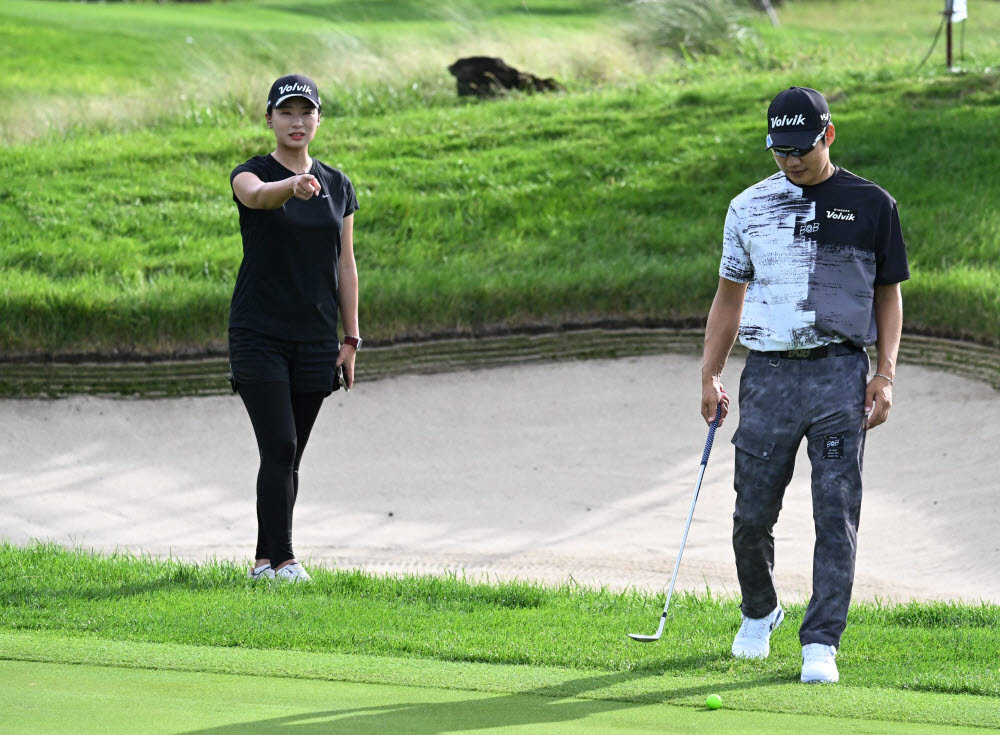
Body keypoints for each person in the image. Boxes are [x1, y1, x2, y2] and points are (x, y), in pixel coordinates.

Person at [700, 87, 909, 683]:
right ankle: (759, 611)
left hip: (839, 374)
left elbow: (887, 294)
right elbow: (727, 297)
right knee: (750, 514)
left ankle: (821, 641)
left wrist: (885, 374)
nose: (791, 162)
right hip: (766, 373)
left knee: (834, 512)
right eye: (779, 151)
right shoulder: (747, 208)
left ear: (829, 135)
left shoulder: (872, 204)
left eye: (802, 149)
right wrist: (711, 373)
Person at [228, 73, 361, 583]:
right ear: (270, 119)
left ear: (318, 119)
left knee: (289, 454)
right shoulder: (251, 173)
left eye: (306, 113)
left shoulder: (339, 185)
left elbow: (345, 265)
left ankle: (265, 562)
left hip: (315, 338)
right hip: (258, 333)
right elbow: (259, 197)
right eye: (286, 113)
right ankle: (282, 559)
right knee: (280, 445)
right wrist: (292, 187)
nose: (297, 121)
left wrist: (350, 339)